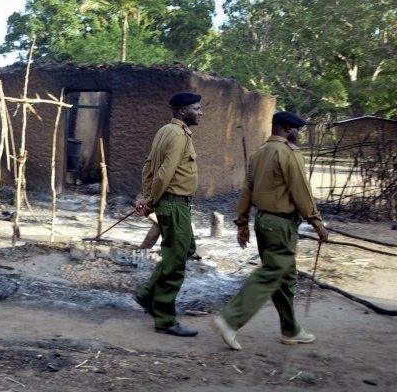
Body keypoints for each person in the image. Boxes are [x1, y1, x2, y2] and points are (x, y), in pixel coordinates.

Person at [212, 111, 328, 350]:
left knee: (284, 277)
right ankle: (230, 320)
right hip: (281, 224)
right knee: (274, 272)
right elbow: (301, 191)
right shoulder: (288, 152)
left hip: (262, 221)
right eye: (297, 130)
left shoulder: (258, 154)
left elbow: (247, 191)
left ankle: (290, 329)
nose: (299, 134)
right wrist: (317, 223)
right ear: (287, 128)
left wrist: (242, 223)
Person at [133, 92, 203, 337]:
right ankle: (165, 319)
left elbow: (148, 166)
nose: (201, 112)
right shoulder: (178, 135)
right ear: (183, 111)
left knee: (186, 249)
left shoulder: (165, 131)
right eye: (197, 108)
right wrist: (150, 200)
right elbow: (163, 172)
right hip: (174, 204)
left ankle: (146, 293)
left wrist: (147, 196)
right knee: (175, 262)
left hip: (175, 205)